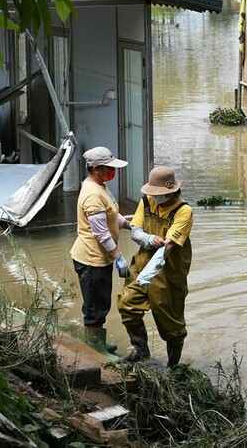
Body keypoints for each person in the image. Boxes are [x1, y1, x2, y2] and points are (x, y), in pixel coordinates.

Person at [117, 166, 193, 367]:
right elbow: (135, 230)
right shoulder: (146, 202)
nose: (155, 197)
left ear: (171, 191)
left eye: (159, 194)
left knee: (170, 323)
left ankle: (173, 366)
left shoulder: (184, 211)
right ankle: (141, 351)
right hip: (142, 262)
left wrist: (147, 276)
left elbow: (168, 247)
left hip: (168, 270)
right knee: (127, 303)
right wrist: (149, 239)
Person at [70, 146, 131, 360]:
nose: (112, 173)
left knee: (101, 300)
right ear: (96, 169)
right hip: (91, 259)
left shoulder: (100, 186)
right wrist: (118, 256)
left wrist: (130, 225)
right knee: (95, 304)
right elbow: (101, 232)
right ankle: (95, 350)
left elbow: (111, 216)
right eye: (108, 169)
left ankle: (98, 342)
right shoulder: (92, 195)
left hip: (98, 258)